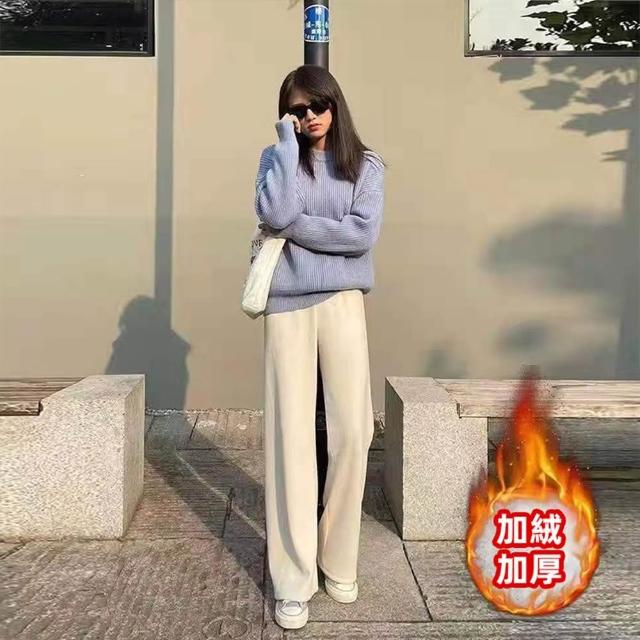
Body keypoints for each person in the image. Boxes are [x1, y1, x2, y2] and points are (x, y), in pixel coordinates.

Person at [254, 64, 386, 630]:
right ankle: (292, 579)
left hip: (343, 303)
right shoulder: (276, 158)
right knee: (290, 437)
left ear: (335, 104)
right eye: (296, 109)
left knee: (353, 432)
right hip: (286, 305)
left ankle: (339, 559)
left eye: (316, 106)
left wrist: (296, 228)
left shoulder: (366, 165)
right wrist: (286, 147)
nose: (308, 116)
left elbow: (362, 235)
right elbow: (275, 213)